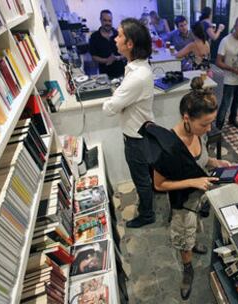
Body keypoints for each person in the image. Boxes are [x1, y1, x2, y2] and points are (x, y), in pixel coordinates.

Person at [139, 77, 231, 300]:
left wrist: (216, 163)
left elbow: (200, 159)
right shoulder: (167, 147)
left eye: (211, 123)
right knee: (183, 237)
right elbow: (159, 185)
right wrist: (192, 182)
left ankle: (192, 245)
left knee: (195, 228)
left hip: (198, 196)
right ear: (186, 118)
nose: (209, 129)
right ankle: (187, 269)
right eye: (204, 124)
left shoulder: (200, 132)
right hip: (182, 202)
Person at [102, 18, 155, 228]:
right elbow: (120, 102)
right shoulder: (136, 69)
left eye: (119, 35)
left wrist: (117, 101)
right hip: (141, 133)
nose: (116, 39)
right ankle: (147, 207)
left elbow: (109, 109)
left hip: (136, 138)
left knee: (141, 179)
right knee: (144, 177)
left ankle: (147, 215)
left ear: (130, 43)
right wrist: (120, 100)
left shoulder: (137, 77)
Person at [215, 16, 238, 130]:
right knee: (225, 103)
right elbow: (218, 62)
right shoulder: (225, 41)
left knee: (237, 101)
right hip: (230, 79)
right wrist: (232, 69)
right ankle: (218, 125)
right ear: (235, 27)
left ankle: (232, 119)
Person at [89, 10, 126, 79]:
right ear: (100, 20)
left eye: (110, 21)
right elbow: (94, 56)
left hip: (121, 73)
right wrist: (107, 60)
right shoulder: (94, 37)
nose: (108, 23)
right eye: (105, 20)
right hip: (104, 75)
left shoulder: (119, 34)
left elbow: (126, 51)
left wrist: (118, 58)